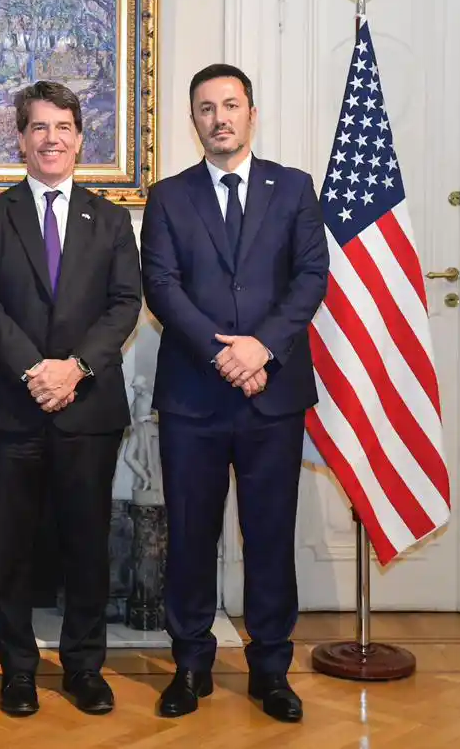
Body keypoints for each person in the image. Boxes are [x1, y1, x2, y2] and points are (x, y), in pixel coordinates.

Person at [139, 63, 329, 723]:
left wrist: (261, 348)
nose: (218, 117)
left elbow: (310, 277)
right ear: (192, 120)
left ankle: (271, 669)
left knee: (269, 535)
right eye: (204, 108)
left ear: (252, 114)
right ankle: (190, 665)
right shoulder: (167, 197)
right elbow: (160, 286)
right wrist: (223, 353)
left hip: (272, 396)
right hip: (193, 395)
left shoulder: (294, 189)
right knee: (189, 535)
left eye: (230, 105)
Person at [0, 81, 142, 717]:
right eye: (38, 127)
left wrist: (76, 369)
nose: (52, 138)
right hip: (10, 407)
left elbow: (126, 304)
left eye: (63, 126)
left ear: (81, 138)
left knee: (86, 542)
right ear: (20, 138)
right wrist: (37, 368)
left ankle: (85, 666)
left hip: (88, 408)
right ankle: (18, 670)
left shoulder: (111, 218)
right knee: (9, 546)